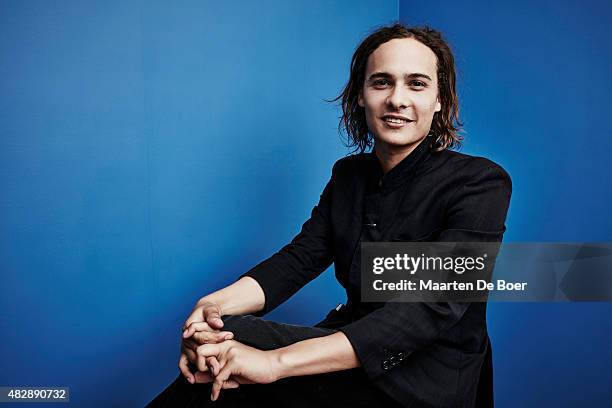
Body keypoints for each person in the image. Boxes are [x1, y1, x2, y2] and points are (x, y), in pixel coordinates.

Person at [148, 23, 512, 408]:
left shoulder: (481, 182)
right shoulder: (349, 175)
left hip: (425, 373)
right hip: (347, 344)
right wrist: (210, 310)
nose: (397, 99)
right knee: (222, 338)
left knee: (232, 362)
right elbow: (300, 258)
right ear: (360, 95)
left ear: (440, 100)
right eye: (381, 82)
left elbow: (432, 306)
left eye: (417, 84)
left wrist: (274, 363)